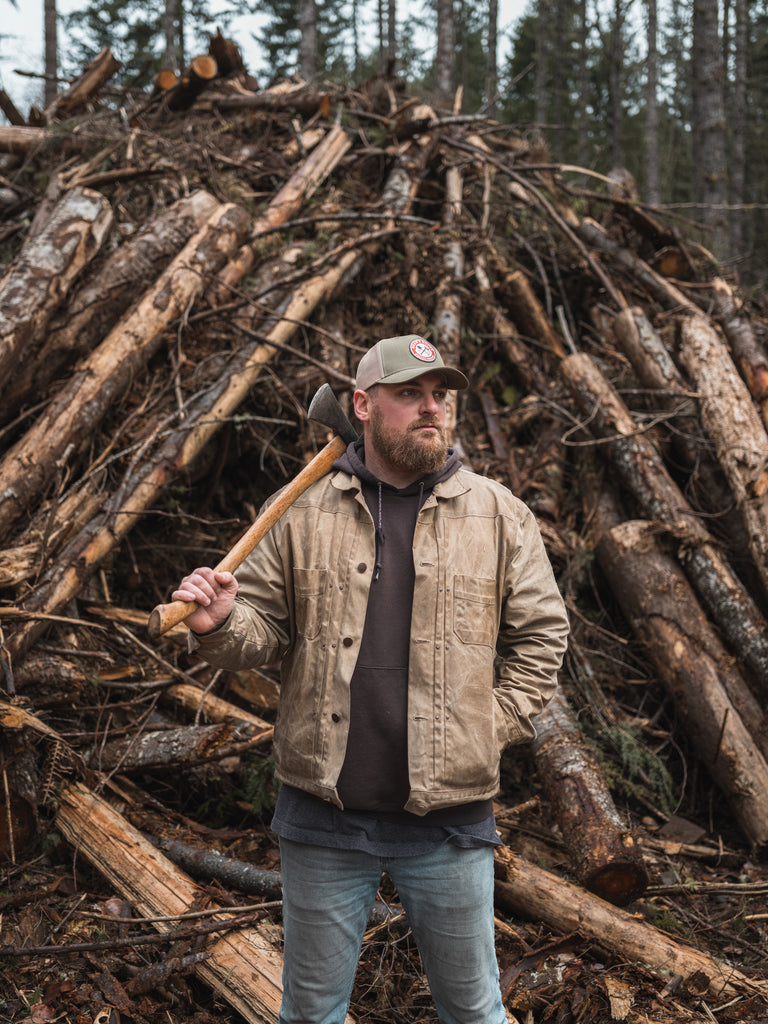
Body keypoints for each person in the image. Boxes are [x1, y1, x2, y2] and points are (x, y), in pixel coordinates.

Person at [171, 333, 570, 1024]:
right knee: (312, 1014)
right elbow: (258, 637)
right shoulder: (302, 508)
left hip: (449, 821)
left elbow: (542, 637)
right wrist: (220, 625)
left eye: (440, 395)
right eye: (409, 393)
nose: (431, 409)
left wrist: (487, 723)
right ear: (361, 404)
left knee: (476, 1012)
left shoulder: (498, 514)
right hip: (324, 816)